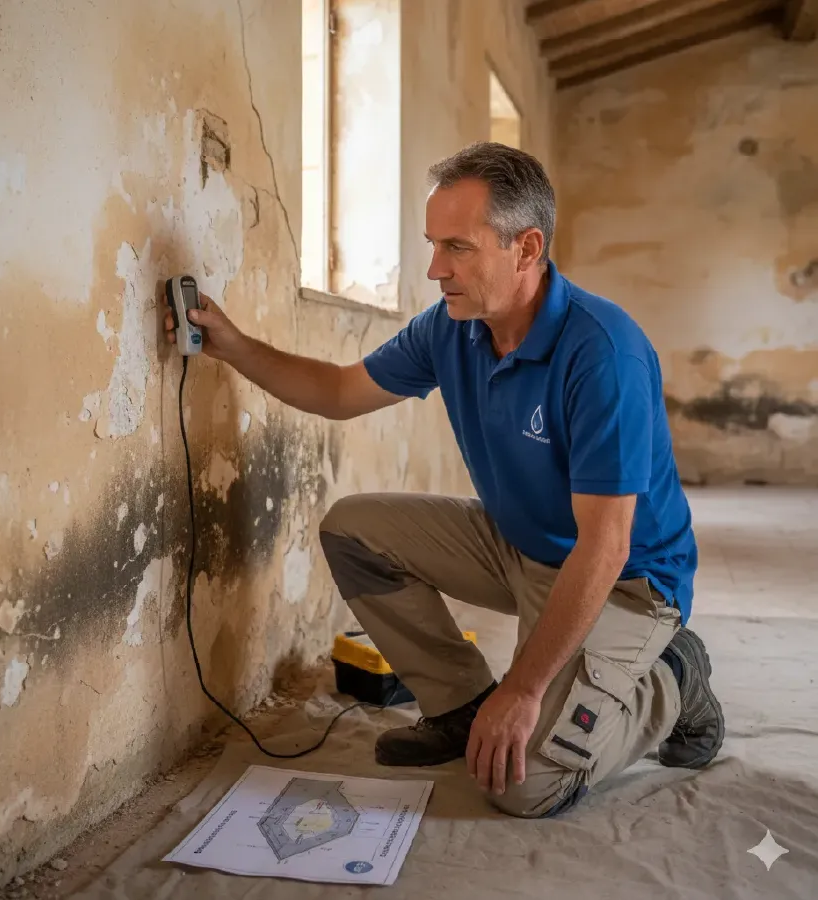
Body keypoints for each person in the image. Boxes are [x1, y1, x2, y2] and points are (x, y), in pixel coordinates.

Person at [163, 141, 724, 820]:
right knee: (354, 530)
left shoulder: (603, 353)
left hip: (625, 581)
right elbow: (340, 391)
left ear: (526, 248)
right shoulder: (451, 330)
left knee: (524, 785)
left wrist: (522, 689)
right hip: (519, 547)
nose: (435, 269)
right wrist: (234, 345)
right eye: (433, 244)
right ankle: (459, 708)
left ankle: (676, 677)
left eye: (457, 247)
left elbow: (604, 547)